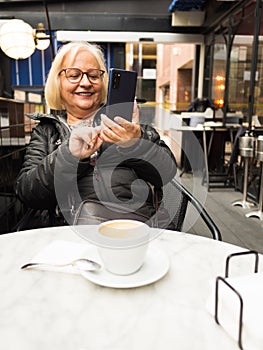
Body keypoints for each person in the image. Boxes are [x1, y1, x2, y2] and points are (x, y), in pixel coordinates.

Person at [15, 41, 177, 229]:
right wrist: (69, 156)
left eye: (93, 75)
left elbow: (167, 173)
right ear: (58, 82)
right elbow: (27, 193)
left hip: (136, 229)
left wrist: (136, 144)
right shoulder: (47, 131)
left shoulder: (127, 123)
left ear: (103, 82)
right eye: (74, 75)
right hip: (72, 234)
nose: (85, 83)